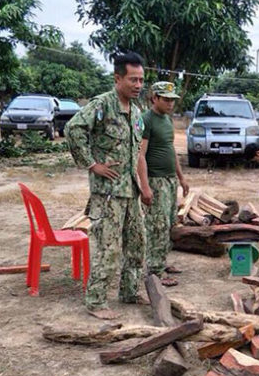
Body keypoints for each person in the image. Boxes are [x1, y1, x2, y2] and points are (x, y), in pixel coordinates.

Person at [66, 52, 147, 319]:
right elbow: (73, 128)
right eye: (132, 80)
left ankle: (129, 291)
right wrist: (91, 164)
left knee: (137, 244)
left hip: (130, 191)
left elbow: (136, 154)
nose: (138, 85)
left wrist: (143, 187)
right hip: (109, 193)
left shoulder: (136, 112)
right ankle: (96, 300)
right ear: (118, 78)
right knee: (108, 248)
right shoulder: (102, 105)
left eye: (141, 80)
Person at [137, 81, 189, 286]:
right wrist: (145, 186)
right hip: (155, 180)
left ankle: (162, 262)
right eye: (166, 99)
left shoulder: (167, 120)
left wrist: (181, 177)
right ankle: (154, 271)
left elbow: (170, 150)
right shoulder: (145, 120)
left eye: (172, 100)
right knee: (156, 225)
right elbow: (140, 155)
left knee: (168, 223)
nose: (170, 103)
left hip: (169, 180)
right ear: (154, 98)